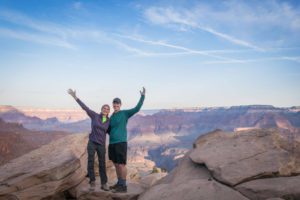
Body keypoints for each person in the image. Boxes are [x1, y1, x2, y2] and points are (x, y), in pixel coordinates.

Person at [67, 89, 110, 191]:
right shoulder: (94, 115)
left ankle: (104, 183)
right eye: (104, 108)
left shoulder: (109, 121)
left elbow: (111, 132)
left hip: (101, 145)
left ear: (109, 111)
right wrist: (75, 97)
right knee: (90, 161)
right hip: (92, 142)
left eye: (107, 109)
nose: (105, 109)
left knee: (102, 163)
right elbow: (85, 107)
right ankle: (92, 182)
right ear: (101, 109)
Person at [108, 87, 146, 193]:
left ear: (120, 105)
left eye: (117, 104)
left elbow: (137, 108)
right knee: (116, 164)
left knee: (121, 164)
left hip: (121, 143)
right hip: (112, 143)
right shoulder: (111, 117)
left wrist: (142, 96)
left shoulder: (124, 113)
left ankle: (123, 186)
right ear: (113, 105)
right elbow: (105, 126)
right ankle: (119, 183)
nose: (116, 105)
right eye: (114, 104)